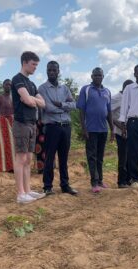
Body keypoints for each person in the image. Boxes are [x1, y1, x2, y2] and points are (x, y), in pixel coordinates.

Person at [38, 61, 78, 196]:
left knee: (64, 158)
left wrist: (61, 104)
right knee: (49, 157)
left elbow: (73, 105)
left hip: (66, 127)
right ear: (46, 71)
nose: (52, 73)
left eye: (54, 70)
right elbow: (48, 108)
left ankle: (65, 185)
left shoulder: (65, 88)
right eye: (49, 70)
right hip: (52, 127)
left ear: (58, 71)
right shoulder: (42, 89)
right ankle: (47, 186)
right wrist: (63, 108)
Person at [11, 51, 47, 204]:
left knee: (28, 159)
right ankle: (20, 194)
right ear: (25, 62)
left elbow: (42, 103)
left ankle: (27, 190)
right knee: (21, 158)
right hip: (22, 124)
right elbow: (28, 101)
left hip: (32, 124)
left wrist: (31, 99)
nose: (35, 68)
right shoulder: (17, 79)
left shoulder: (31, 84)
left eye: (36, 65)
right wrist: (31, 99)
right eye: (33, 64)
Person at [77, 67, 114, 193]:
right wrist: (84, 128)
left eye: (100, 75)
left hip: (103, 129)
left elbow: (109, 112)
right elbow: (81, 110)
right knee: (91, 156)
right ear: (92, 76)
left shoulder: (107, 91)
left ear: (103, 77)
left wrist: (112, 130)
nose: (98, 77)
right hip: (91, 129)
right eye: (96, 75)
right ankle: (94, 182)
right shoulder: (86, 89)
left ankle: (100, 180)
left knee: (100, 156)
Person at [111, 79, 134, 188]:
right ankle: (121, 181)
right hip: (121, 133)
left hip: (131, 133)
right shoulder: (116, 98)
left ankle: (129, 180)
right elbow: (109, 114)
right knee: (123, 158)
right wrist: (120, 126)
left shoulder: (130, 98)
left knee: (131, 157)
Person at [0, 79, 15, 173]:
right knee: (3, 144)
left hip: (12, 122)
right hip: (2, 122)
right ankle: (3, 166)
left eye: (10, 85)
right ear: (3, 85)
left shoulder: (13, 97)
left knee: (13, 144)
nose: (8, 86)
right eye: (6, 84)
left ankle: (12, 166)